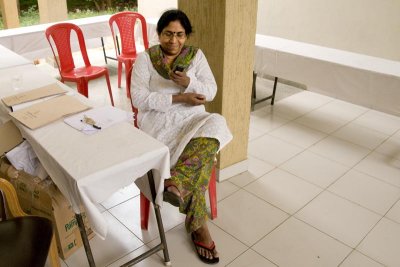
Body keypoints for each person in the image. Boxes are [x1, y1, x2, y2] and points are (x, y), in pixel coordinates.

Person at [131, 9, 232, 265]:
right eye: (168, 34)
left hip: (191, 116)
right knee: (202, 163)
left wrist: (189, 82)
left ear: (186, 36)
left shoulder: (196, 56)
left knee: (217, 123)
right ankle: (200, 229)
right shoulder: (146, 59)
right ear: (159, 33)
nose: (173, 41)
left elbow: (210, 91)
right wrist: (179, 98)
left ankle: (177, 182)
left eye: (179, 35)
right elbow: (139, 99)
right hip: (158, 119)